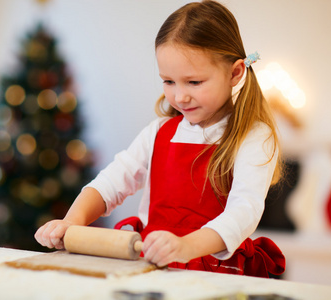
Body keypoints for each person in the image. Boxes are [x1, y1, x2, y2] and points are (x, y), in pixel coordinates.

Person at [35, 0, 285, 278]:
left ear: (235, 73)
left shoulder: (254, 136)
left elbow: (244, 211)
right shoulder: (159, 131)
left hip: (215, 272)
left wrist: (185, 246)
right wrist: (72, 222)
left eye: (194, 82)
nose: (180, 96)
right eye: (168, 81)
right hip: (154, 266)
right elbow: (111, 182)